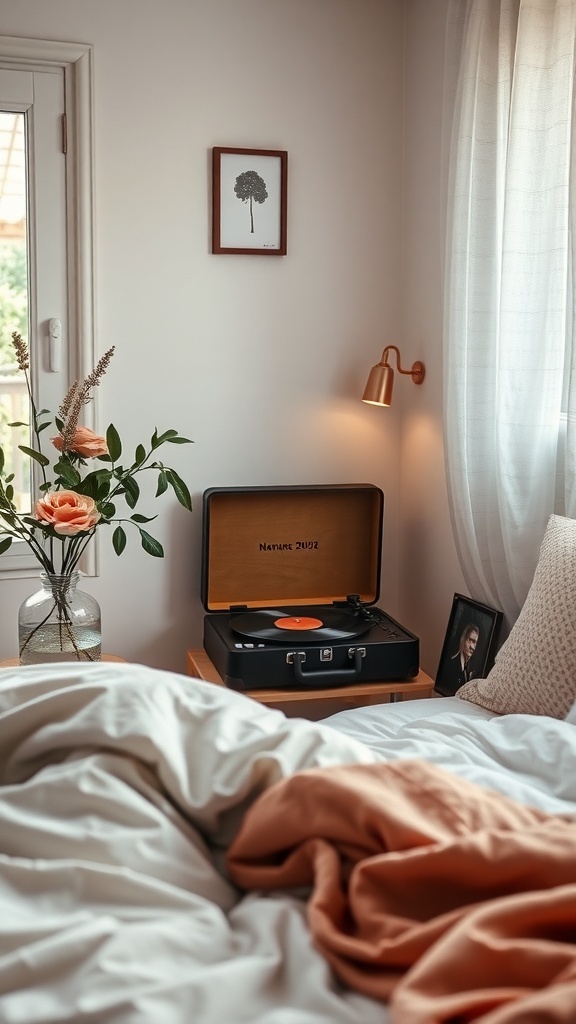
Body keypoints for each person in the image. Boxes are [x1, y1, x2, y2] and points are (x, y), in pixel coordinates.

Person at [442, 622, 480, 693]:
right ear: (463, 639)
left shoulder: (471, 669)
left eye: (474, 642)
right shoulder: (450, 665)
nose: (472, 647)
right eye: (470, 640)